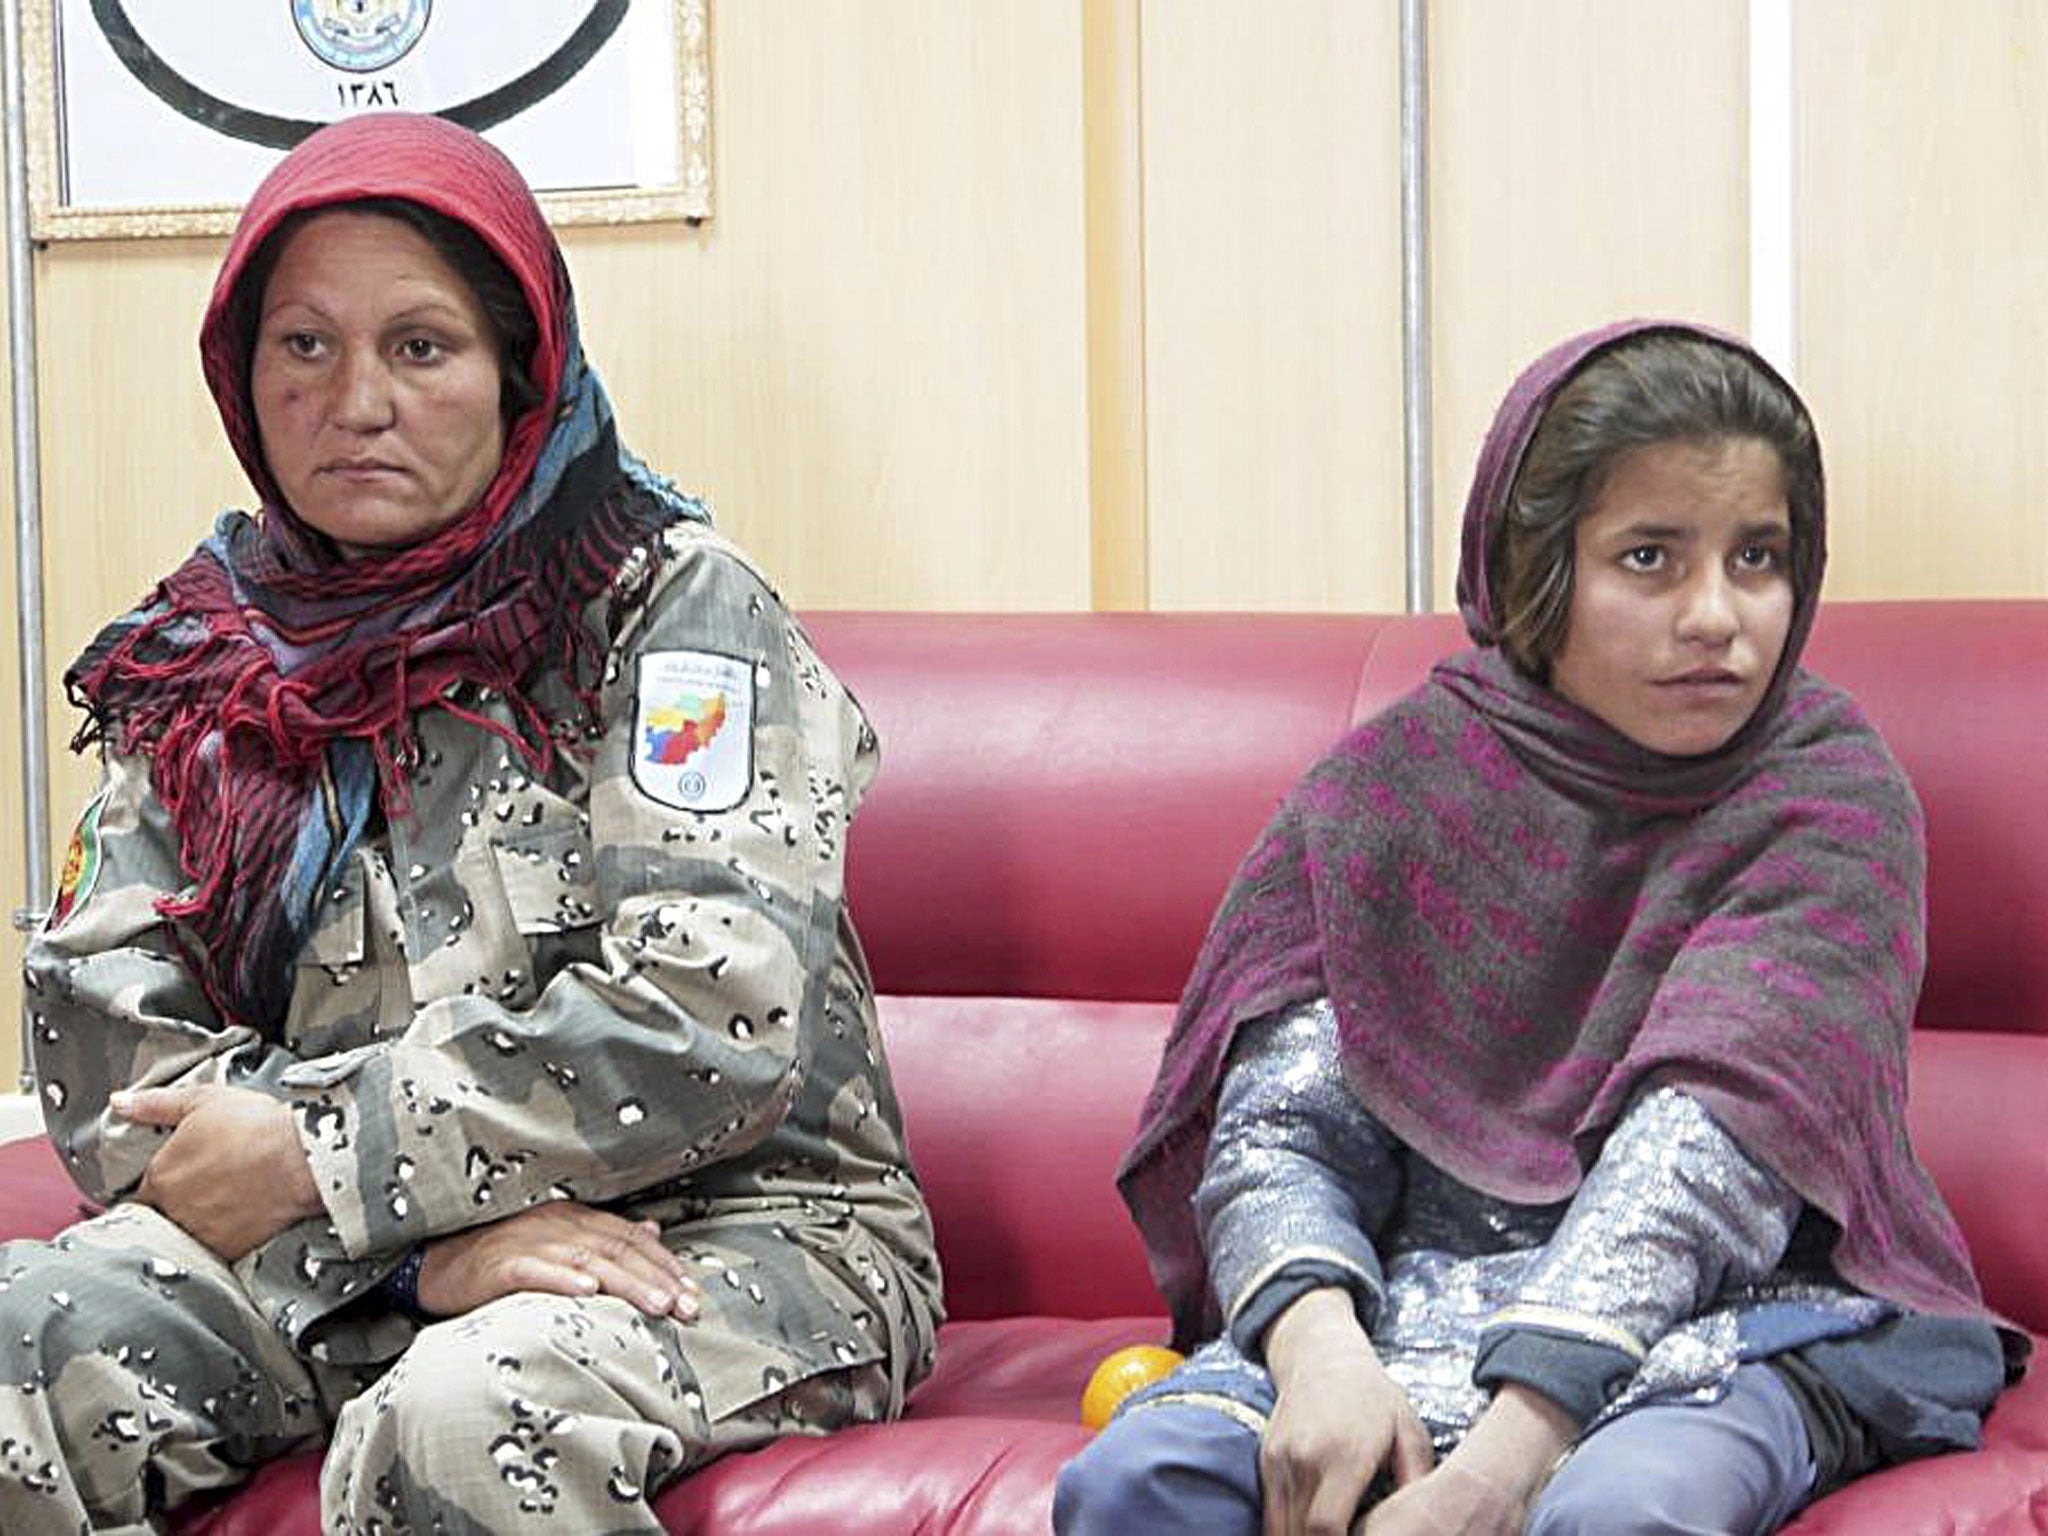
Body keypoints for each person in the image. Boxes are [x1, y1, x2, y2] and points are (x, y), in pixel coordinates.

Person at [2, 112, 940, 1533]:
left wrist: (325, 1152)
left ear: (521, 374)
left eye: (421, 346)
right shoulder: (205, 657)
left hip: (737, 1230)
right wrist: (405, 1252)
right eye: (302, 346)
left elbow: (709, 1024)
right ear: (241, 378)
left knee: (466, 1420)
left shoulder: (667, 615)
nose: (355, 399)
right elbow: (106, 1051)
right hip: (339, 1251)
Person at [1054, 320, 2021, 1536]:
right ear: (1533, 572)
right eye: (1650, 559)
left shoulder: (1827, 798)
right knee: (1141, 1486)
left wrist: (1493, 1470)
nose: (1718, 616)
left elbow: (1705, 1159)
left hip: (1743, 1306)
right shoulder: (1387, 790)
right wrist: (1320, 1359)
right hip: (1405, 1305)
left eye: (1758, 557)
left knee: (1628, 1510)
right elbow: (1283, 1130)